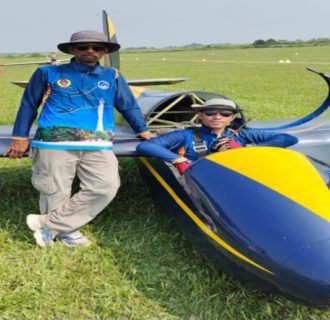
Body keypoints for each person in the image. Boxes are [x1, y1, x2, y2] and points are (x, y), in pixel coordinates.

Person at [6, 30, 154, 247]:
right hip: (53, 142)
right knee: (55, 189)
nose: (90, 51)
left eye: (97, 47)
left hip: (98, 142)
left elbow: (127, 105)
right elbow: (29, 104)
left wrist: (143, 130)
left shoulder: (112, 75)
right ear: (71, 50)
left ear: (104, 52)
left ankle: (47, 223)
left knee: (105, 187)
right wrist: (19, 136)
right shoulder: (47, 73)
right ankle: (64, 232)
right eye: (83, 47)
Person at [136, 98, 298, 173]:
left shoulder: (242, 135)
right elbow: (146, 145)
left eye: (225, 113)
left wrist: (248, 149)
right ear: (201, 115)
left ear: (232, 118)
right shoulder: (185, 135)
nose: (217, 116)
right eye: (210, 112)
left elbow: (289, 138)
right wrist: (179, 160)